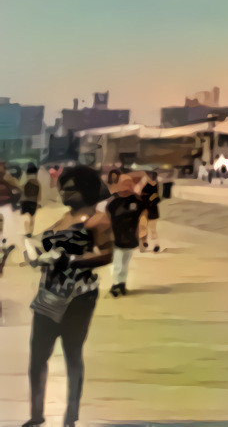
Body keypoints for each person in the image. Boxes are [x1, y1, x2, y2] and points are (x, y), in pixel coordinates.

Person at [22, 164, 113, 427]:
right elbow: (45, 244)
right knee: (37, 357)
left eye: (71, 190)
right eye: (63, 189)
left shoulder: (99, 220)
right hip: (48, 294)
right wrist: (36, 256)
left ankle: (70, 417)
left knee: (72, 354)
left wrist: (72, 261)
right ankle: (36, 414)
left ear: (85, 190)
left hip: (79, 297)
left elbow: (107, 254)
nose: (64, 194)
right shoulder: (63, 218)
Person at [106, 174, 142, 296]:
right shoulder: (113, 202)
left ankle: (121, 283)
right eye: (125, 183)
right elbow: (107, 219)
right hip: (116, 237)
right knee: (117, 262)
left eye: (129, 183)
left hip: (130, 236)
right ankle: (116, 283)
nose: (127, 186)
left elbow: (142, 218)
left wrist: (141, 234)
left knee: (125, 262)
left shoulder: (136, 200)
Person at [138, 170, 161, 252]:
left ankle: (155, 244)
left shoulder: (154, 185)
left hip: (149, 208)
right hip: (146, 208)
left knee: (151, 228)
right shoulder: (143, 184)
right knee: (144, 227)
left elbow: (157, 197)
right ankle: (144, 243)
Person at [20, 165, 42, 238]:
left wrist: (21, 202)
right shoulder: (37, 183)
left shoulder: (26, 182)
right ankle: (30, 232)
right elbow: (39, 195)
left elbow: (22, 193)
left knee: (26, 218)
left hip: (25, 202)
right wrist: (38, 203)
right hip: (33, 203)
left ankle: (26, 231)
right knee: (32, 219)